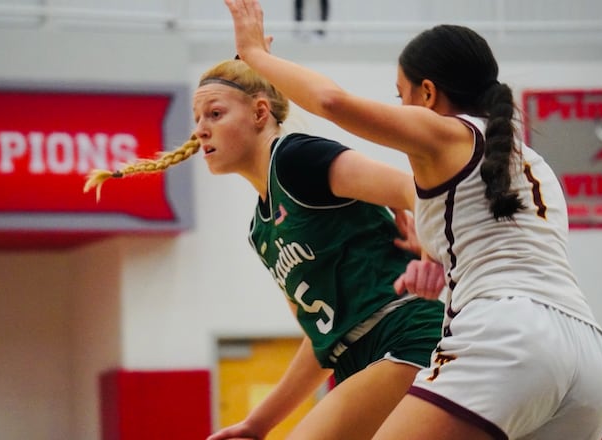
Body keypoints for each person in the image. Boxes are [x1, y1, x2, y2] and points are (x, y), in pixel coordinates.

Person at [224, 0, 602, 438]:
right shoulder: (529, 163)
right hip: (589, 359)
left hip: (510, 337)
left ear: (427, 94)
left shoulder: (448, 134)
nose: (401, 106)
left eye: (401, 95)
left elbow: (331, 102)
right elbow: (499, 244)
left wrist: (257, 55)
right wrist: (439, 266)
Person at [84, 58, 447, 440]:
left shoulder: (295, 158)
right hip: (355, 358)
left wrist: (430, 245)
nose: (200, 131)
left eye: (215, 114)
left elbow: (417, 189)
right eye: (198, 118)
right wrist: (258, 424)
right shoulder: (261, 231)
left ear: (260, 112)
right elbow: (319, 341)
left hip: (407, 332)